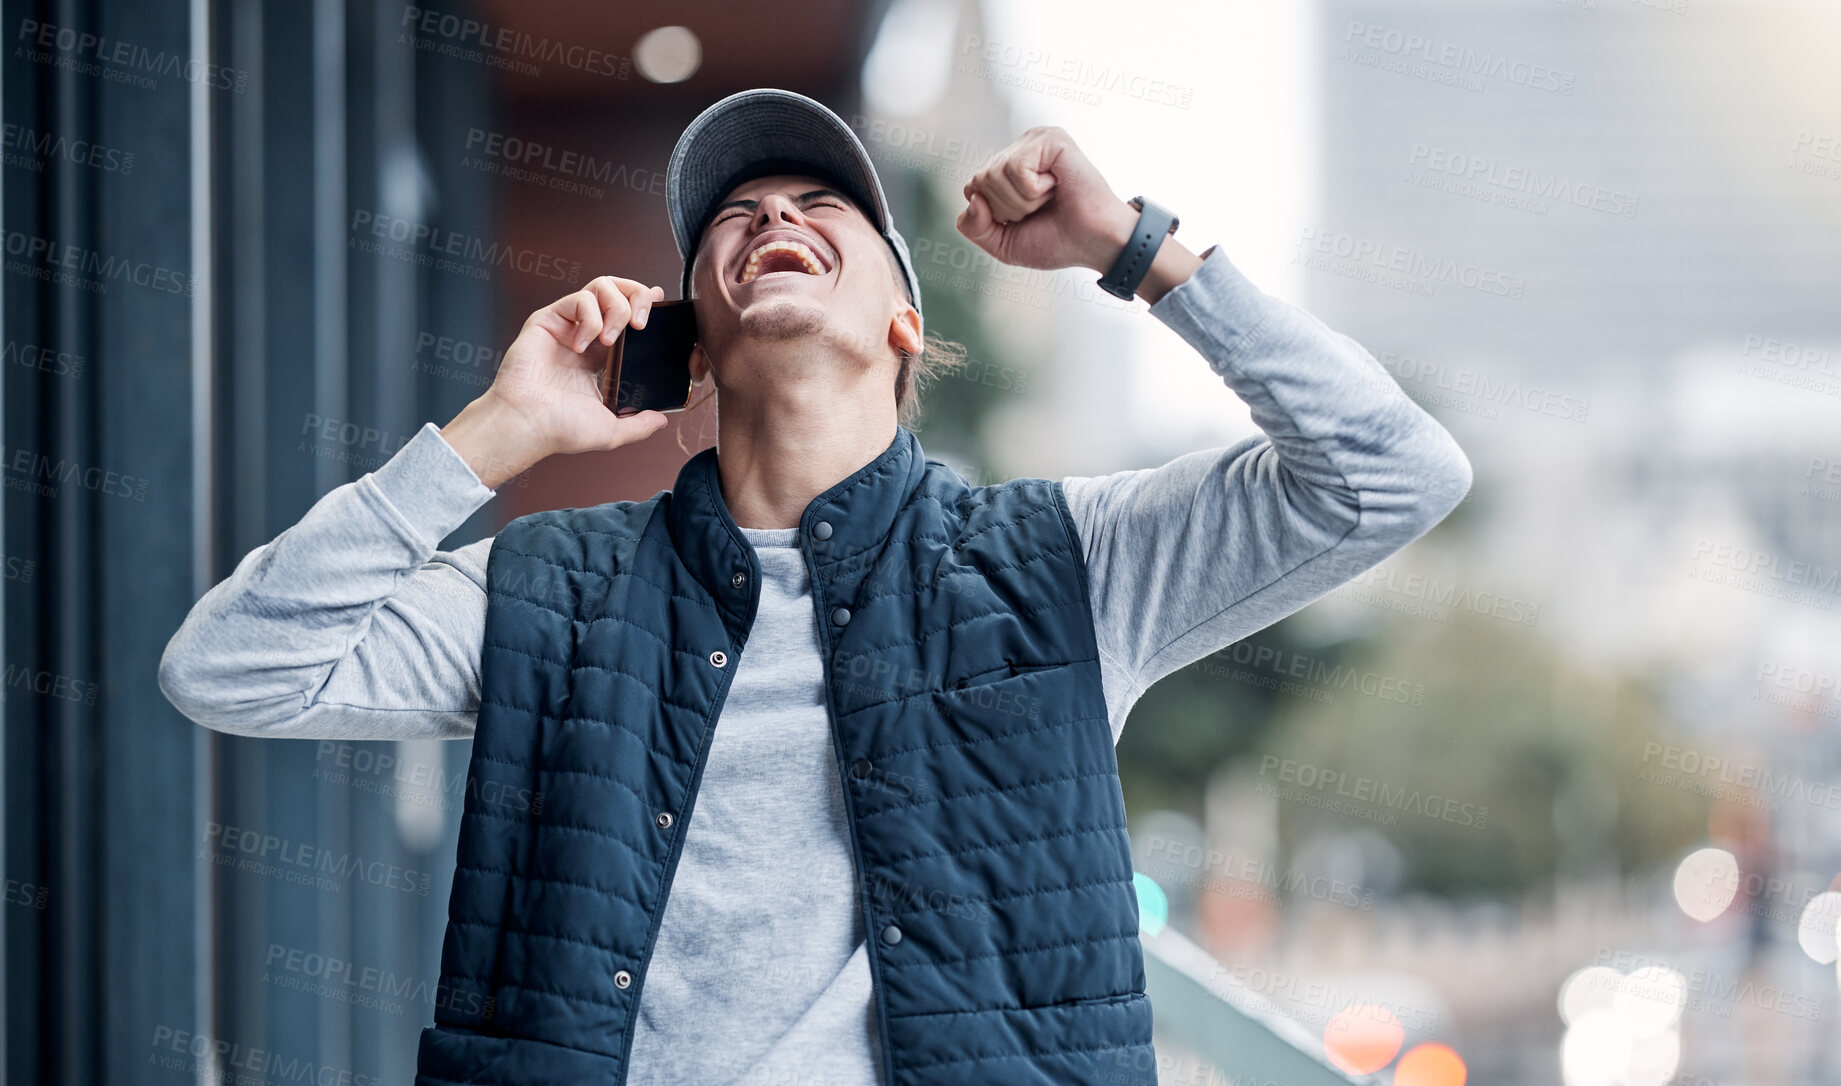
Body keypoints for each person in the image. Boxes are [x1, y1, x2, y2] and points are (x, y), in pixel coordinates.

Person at [159, 88, 1473, 1086]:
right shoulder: (552, 589)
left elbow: (1388, 469)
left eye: (819, 208)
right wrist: (500, 430)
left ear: (906, 320)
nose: (773, 217)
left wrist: (1128, 246)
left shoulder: (1062, 563)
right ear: (688, 341)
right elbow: (231, 664)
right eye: (736, 216)